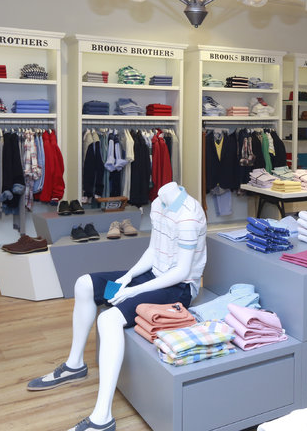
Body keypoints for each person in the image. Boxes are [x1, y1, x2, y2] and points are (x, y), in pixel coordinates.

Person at [27, 181, 207, 431]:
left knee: (108, 319)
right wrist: (128, 276)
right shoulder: (159, 203)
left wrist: (134, 290)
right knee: (84, 284)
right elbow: (153, 251)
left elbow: (182, 272)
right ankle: (74, 365)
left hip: (179, 288)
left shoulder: (188, 215)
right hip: (153, 276)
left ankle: (102, 418)